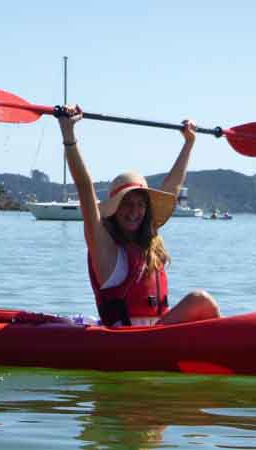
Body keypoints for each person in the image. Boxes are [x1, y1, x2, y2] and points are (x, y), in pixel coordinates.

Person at [57, 105, 219, 327]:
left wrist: (189, 143)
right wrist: (69, 134)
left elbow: (172, 187)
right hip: (127, 341)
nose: (134, 212)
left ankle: (227, 353)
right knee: (199, 300)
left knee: (203, 304)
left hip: (155, 338)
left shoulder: (147, 241)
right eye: (127, 204)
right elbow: (85, 187)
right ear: (114, 209)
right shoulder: (104, 247)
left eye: (141, 205)